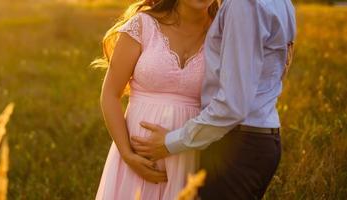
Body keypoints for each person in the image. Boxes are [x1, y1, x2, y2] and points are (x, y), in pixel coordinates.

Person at [129, 0, 297, 199]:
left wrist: (170, 142)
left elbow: (233, 106)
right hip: (262, 139)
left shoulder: (241, 5)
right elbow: (280, 66)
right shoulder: (281, 2)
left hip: (236, 145)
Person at [93, 0, 220, 199]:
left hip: (191, 158)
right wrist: (127, 155)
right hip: (136, 160)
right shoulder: (143, 25)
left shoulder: (222, 34)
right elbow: (109, 94)